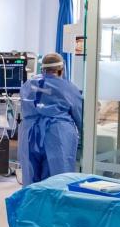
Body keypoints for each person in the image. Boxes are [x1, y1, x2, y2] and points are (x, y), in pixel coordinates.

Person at [18, 52, 84, 184]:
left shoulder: (28, 84)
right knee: (57, 179)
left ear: (42, 69)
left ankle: (31, 204)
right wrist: (85, 138)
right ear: (61, 70)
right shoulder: (68, 88)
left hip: (29, 133)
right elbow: (80, 115)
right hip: (57, 134)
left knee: (31, 178)